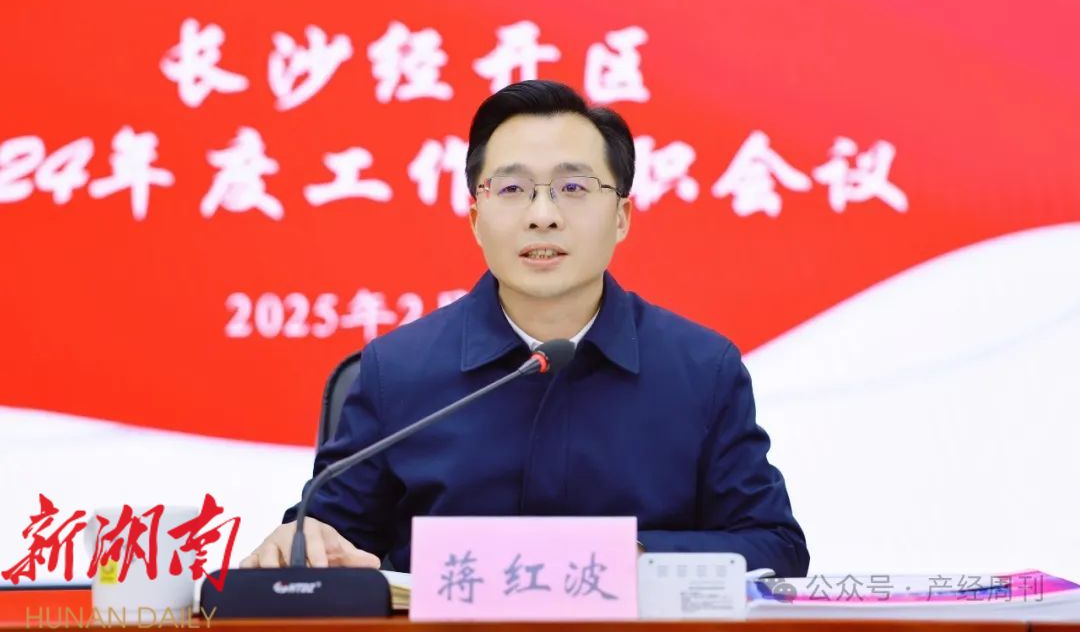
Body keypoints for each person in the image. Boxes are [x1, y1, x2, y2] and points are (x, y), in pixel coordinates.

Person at [240, 80, 809, 576]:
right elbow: (328, 540)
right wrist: (301, 544)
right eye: (512, 189)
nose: (543, 215)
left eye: (573, 188)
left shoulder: (701, 371)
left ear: (621, 216)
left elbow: (775, 547)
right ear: (475, 217)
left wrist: (629, 557)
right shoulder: (398, 371)